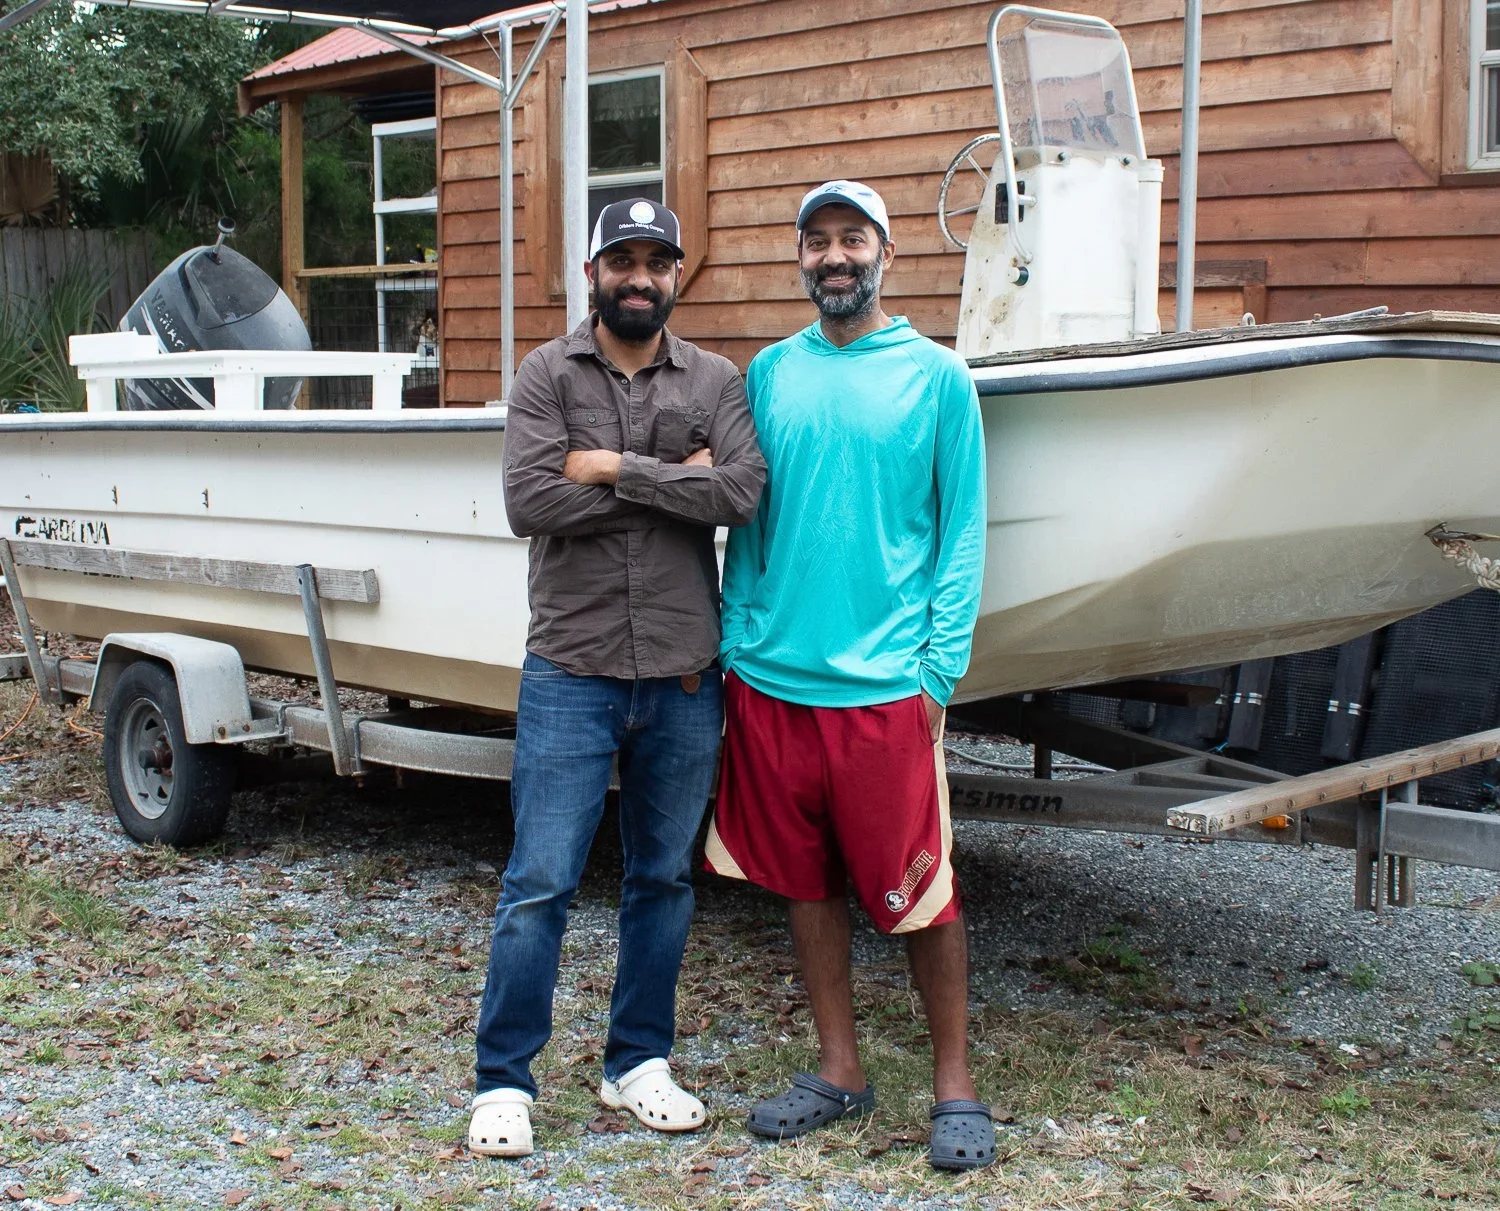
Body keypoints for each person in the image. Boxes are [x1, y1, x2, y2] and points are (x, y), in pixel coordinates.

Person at [469, 198, 766, 1159]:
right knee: (540, 882)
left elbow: (742, 493)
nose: (640, 278)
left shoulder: (717, 377)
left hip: (684, 676)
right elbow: (528, 499)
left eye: (658, 263)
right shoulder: (543, 373)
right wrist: (671, 477)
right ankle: (503, 1080)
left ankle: (637, 1062)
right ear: (593, 271)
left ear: (679, 275)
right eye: (622, 261)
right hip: (571, 669)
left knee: (662, 880)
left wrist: (608, 467)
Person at [705, 181, 993, 1171]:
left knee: (923, 891)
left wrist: (936, 669)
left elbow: (962, 533)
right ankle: (840, 1068)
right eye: (819, 241)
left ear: (886, 252)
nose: (836, 256)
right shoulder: (769, 376)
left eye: (853, 239)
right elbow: (745, 521)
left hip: (886, 691)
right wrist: (738, 637)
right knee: (804, 880)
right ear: (801, 258)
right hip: (774, 680)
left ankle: (954, 1083)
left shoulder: (938, 377)